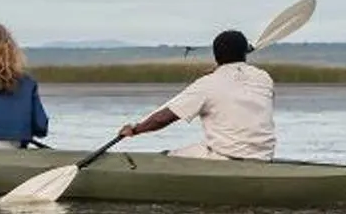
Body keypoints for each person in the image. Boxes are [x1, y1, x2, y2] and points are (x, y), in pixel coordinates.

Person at [119, 28, 277, 160]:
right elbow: (238, 86)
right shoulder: (264, 78)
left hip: (223, 157)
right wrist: (219, 72)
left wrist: (135, 129)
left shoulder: (207, 84)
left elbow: (163, 118)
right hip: (263, 156)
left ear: (215, 55)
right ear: (244, 53)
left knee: (166, 156)